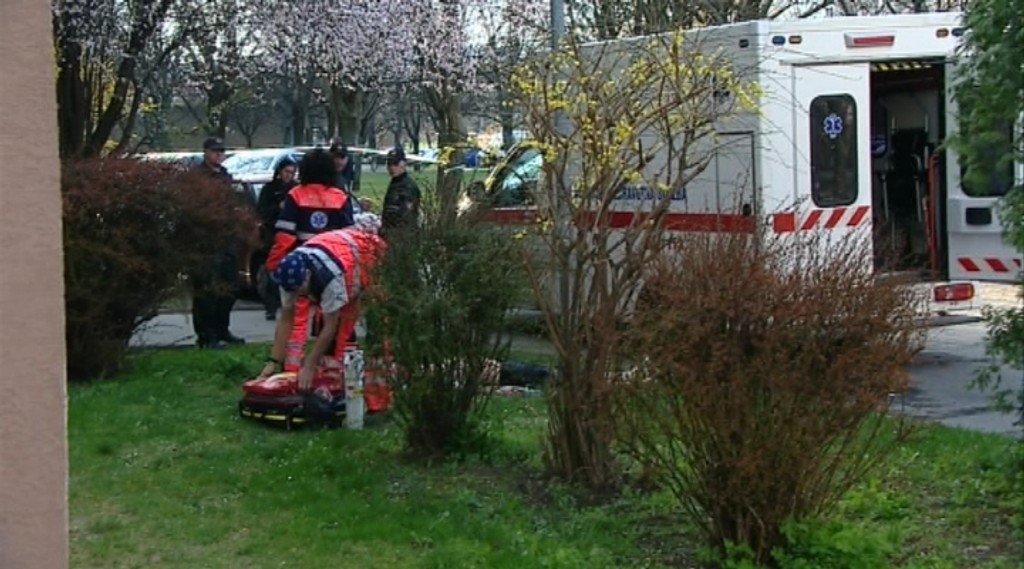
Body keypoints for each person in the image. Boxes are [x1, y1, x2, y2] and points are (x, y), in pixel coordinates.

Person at [259, 213, 387, 390]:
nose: (298, 294)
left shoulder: (331, 279)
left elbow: (330, 326)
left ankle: (372, 387)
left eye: (300, 289)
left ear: (307, 276)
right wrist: (273, 361)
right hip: (341, 250)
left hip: (369, 258)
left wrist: (309, 365)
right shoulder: (289, 275)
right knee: (326, 334)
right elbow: (287, 318)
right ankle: (332, 379)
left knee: (360, 328)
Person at [265, 148, 355, 372]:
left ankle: (292, 368)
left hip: (301, 267)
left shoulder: (296, 195)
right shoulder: (340, 197)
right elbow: (348, 237)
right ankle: (333, 368)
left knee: (298, 319)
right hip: (332, 270)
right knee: (334, 319)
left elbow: (285, 236)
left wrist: (274, 264)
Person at [191, 136, 245, 349]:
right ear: (206, 152)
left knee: (229, 285)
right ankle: (206, 335)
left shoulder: (225, 176)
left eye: (222, 151)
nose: (219, 154)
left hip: (226, 235)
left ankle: (222, 329)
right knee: (207, 289)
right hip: (206, 237)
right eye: (215, 151)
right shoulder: (197, 177)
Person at [255, 158, 298, 320]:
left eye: (292, 173)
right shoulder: (269, 189)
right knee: (271, 271)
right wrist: (277, 207)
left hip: (292, 235)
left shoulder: (295, 189)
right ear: (279, 171)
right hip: (273, 234)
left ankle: (290, 305)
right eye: (287, 172)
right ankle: (271, 306)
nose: (289, 175)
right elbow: (261, 211)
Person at [380, 146, 421, 237]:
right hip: (391, 232)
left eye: (395, 163)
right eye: (389, 164)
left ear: (403, 163)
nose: (391, 167)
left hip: (402, 235)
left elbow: (406, 214)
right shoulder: (395, 182)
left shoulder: (408, 186)